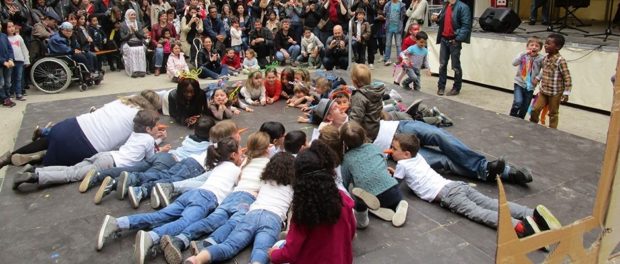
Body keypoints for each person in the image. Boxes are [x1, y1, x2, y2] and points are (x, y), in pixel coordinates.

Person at [312, 98, 533, 185]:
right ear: (328, 116)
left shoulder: (354, 110)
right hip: (394, 151)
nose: (339, 107)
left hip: (400, 128)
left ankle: (486, 168)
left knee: (440, 136)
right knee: (443, 161)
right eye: (334, 108)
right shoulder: (328, 131)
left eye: (337, 104)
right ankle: (503, 173)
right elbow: (322, 151)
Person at [95, 137, 244, 264]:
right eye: (239, 152)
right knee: (184, 223)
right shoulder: (237, 170)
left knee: (161, 215)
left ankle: (118, 222)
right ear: (233, 155)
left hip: (192, 194)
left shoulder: (218, 166)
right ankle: (152, 236)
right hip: (206, 199)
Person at [390, 134, 561, 237]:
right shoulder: (417, 157)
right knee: (490, 203)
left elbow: (394, 184)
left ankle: (518, 226)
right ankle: (531, 214)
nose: (390, 150)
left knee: (477, 212)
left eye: (393, 148)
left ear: (405, 154)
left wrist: (389, 174)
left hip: (448, 195)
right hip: (456, 185)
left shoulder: (402, 165)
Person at [160, 132, 271, 264]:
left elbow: (239, 178)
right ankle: (207, 243)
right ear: (266, 148)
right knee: (232, 223)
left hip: (233, 195)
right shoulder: (269, 164)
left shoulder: (246, 161)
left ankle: (180, 239)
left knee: (211, 220)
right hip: (247, 199)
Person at [0, 90, 161, 168]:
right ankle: (38, 158)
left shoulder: (121, 102)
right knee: (62, 160)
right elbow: (136, 143)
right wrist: (156, 138)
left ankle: (11, 156)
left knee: (48, 140)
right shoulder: (140, 116)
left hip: (73, 124)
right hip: (87, 144)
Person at [185, 152, 295, 264]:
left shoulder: (265, 180)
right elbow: (292, 211)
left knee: (229, 245)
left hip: (252, 214)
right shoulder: (292, 187)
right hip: (273, 218)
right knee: (261, 251)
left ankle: (197, 259)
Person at [12, 110, 161, 190]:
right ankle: (33, 178)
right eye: (156, 127)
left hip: (106, 155)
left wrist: (157, 139)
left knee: (72, 168)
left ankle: (34, 171)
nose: (157, 129)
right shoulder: (148, 140)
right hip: (110, 164)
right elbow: (150, 159)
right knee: (72, 174)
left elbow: (138, 148)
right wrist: (158, 143)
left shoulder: (135, 133)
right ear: (148, 129)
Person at [269, 140, 355, 263]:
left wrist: (273, 254)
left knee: (279, 246)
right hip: (341, 259)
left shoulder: (303, 211)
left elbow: (289, 254)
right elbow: (350, 233)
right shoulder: (343, 199)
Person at [340, 121, 409, 228]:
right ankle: (401, 205)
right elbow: (384, 166)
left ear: (344, 142)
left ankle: (367, 212)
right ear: (363, 134)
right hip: (392, 189)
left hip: (372, 196)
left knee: (357, 198)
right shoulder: (375, 147)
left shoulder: (346, 159)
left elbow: (344, 183)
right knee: (398, 199)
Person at [529, 34, 572, 129]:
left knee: (553, 113)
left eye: (548, 44)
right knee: (535, 109)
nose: (545, 45)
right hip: (544, 91)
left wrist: (566, 93)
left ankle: (553, 130)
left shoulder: (561, 61)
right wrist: (537, 78)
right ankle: (532, 125)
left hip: (555, 93)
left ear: (557, 47)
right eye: (545, 43)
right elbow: (544, 71)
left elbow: (567, 77)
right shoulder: (545, 58)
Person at [431, 0, 471, 96]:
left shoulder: (463, 7)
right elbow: (443, 22)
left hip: (454, 40)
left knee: (455, 66)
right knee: (442, 65)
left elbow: (466, 26)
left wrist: (457, 39)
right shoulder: (446, 5)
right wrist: (436, 19)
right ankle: (441, 87)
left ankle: (456, 88)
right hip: (444, 39)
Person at [510, 36, 544, 119]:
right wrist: (523, 54)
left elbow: (545, 70)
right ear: (527, 46)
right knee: (518, 102)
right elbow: (514, 63)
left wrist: (538, 78)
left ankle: (520, 120)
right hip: (519, 83)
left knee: (525, 106)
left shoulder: (541, 58)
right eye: (532, 45)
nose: (534, 47)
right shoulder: (523, 55)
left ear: (540, 49)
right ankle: (512, 116)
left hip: (530, 86)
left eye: (537, 46)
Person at [349, 64, 384, 141]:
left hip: (364, 134)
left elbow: (355, 119)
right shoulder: (376, 92)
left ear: (354, 81)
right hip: (374, 130)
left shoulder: (359, 96)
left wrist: (347, 131)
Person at [120, 9, 148, 78]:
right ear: (127, 15)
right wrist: (130, 33)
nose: (133, 16)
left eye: (134, 15)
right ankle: (133, 71)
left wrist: (136, 31)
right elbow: (122, 38)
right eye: (131, 15)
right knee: (131, 50)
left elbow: (142, 36)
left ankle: (141, 70)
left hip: (138, 41)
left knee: (141, 49)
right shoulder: (123, 24)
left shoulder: (138, 23)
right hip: (127, 42)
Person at [152, 11, 178, 75]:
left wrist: (175, 41)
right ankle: (158, 68)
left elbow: (176, 35)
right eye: (162, 16)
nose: (164, 17)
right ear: (159, 18)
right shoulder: (155, 26)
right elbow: (153, 39)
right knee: (160, 51)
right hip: (161, 44)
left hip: (170, 43)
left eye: (165, 16)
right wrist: (157, 44)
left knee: (177, 49)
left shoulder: (171, 25)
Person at [382, 0, 406, 66]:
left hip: (398, 27)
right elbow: (384, 13)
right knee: (388, 44)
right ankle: (387, 59)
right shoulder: (387, 5)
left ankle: (400, 60)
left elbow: (404, 15)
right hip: (389, 27)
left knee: (398, 45)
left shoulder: (402, 5)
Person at [0, 22, 15, 107]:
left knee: (8, 82)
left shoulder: (4, 36)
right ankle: (4, 98)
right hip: (2, 64)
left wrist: (10, 59)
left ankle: (7, 96)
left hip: (8, 63)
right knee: (1, 83)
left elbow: (10, 49)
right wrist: (3, 61)